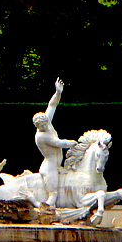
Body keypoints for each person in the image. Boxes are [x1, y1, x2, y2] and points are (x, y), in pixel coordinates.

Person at [33, 78, 77, 208]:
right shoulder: (41, 136)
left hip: (56, 164)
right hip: (50, 166)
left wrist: (58, 93)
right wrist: (72, 143)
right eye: (41, 125)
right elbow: (58, 143)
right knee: (53, 193)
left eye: (45, 123)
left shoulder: (47, 123)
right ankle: (45, 212)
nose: (45, 126)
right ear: (38, 126)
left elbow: (52, 105)